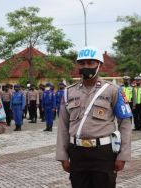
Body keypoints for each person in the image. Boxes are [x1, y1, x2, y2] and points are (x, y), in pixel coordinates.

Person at [56, 46, 132, 188]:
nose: (86, 66)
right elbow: (63, 126)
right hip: (77, 152)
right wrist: (62, 155)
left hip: (103, 153)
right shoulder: (68, 92)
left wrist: (123, 155)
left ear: (100, 65)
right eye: (82, 63)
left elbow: (125, 123)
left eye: (90, 63)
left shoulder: (113, 90)